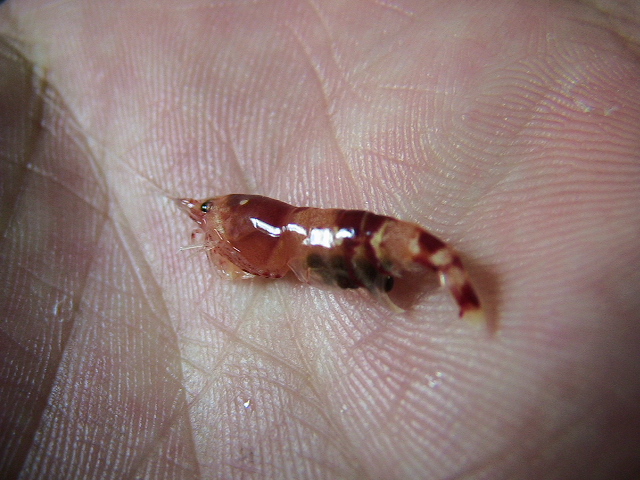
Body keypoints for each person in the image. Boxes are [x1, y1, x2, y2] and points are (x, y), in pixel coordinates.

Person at [1, 1, 639, 478]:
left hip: (336, 237)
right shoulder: (249, 223)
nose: (204, 217)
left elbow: (255, 257)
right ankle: (423, 276)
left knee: (346, 247)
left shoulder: (253, 226)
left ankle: (439, 278)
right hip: (318, 239)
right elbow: (256, 254)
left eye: (207, 210)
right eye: (205, 211)